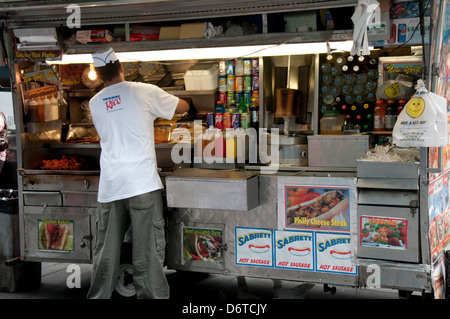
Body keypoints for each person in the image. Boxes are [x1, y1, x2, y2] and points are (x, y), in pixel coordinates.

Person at [86, 48, 189, 299]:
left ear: (98, 75)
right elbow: (182, 106)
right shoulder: (144, 91)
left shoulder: (95, 102)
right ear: (121, 67)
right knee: (147, 254)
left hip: (110, 187)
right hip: (141, 184)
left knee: (105, 253)